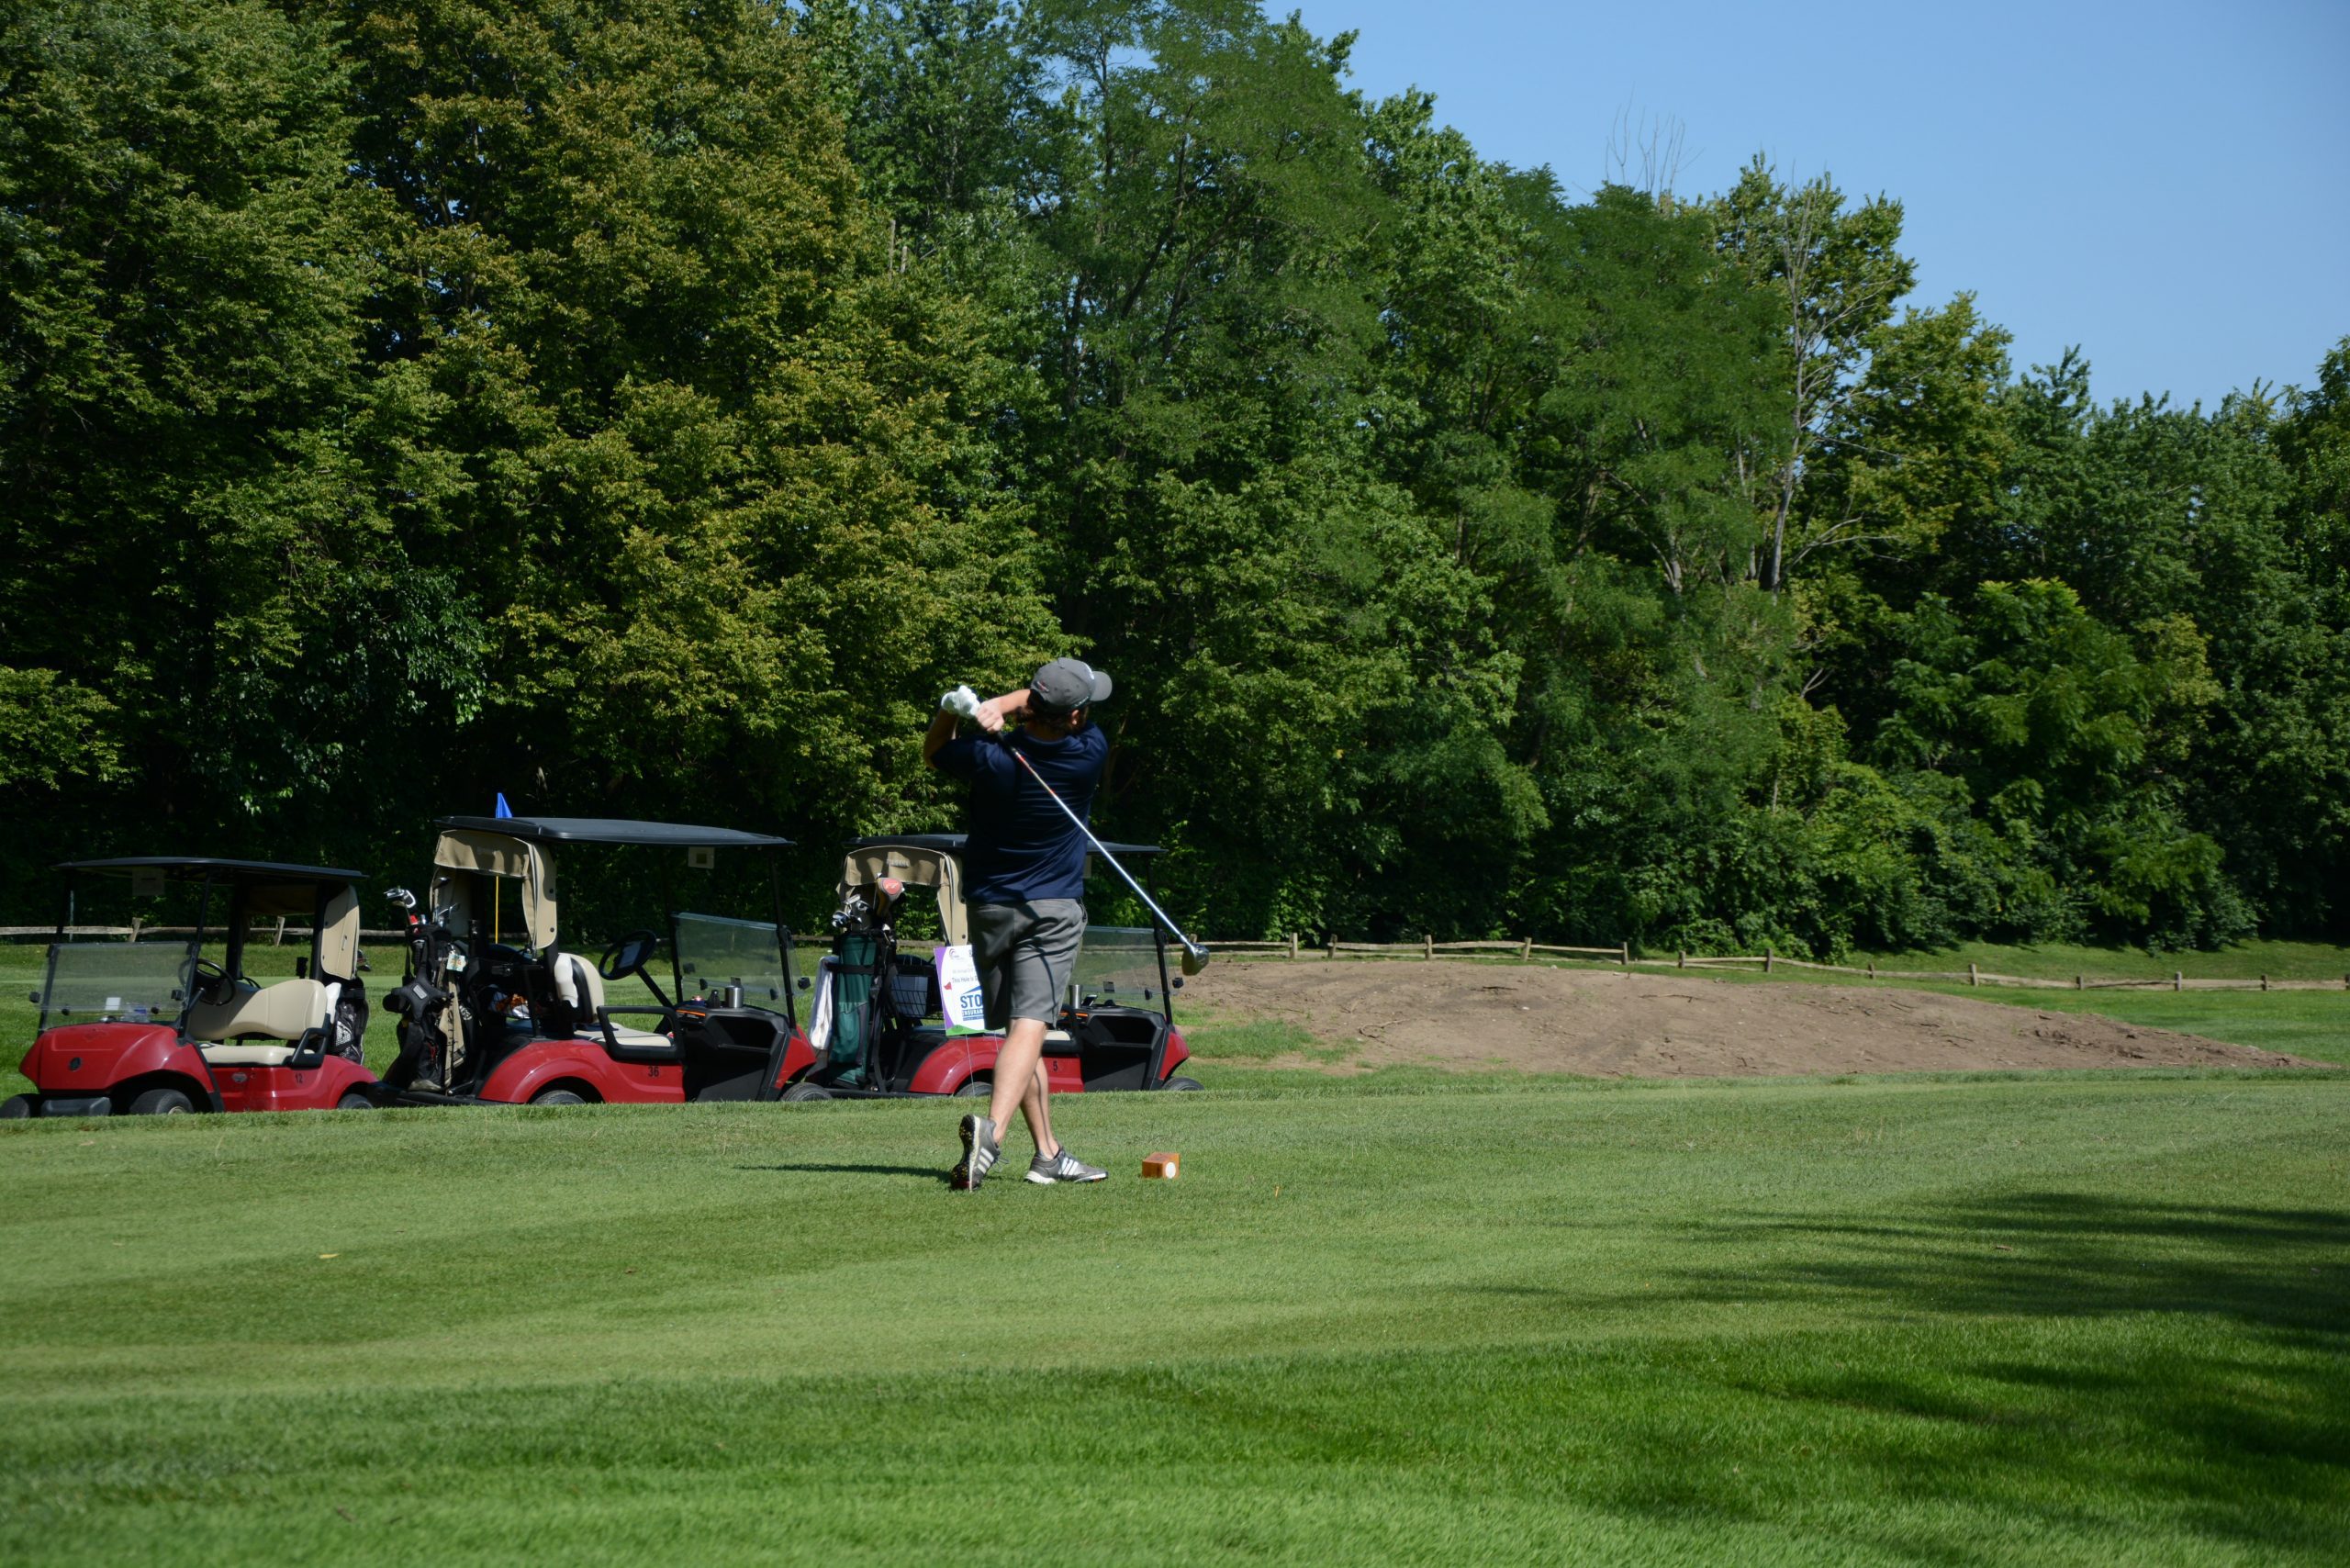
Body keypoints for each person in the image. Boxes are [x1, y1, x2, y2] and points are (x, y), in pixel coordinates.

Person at [924, 656, 1115, 1190]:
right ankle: (993, 1135)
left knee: (1018, 1036)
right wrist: (1004, 706)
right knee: (1031, 1027)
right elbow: (1047, 713)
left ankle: (1048, 1154)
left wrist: (956, 709)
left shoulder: (990, 757)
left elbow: (934, 751)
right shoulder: (1088, 753)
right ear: (1074, 716)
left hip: (988, 909)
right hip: (1051, 910)